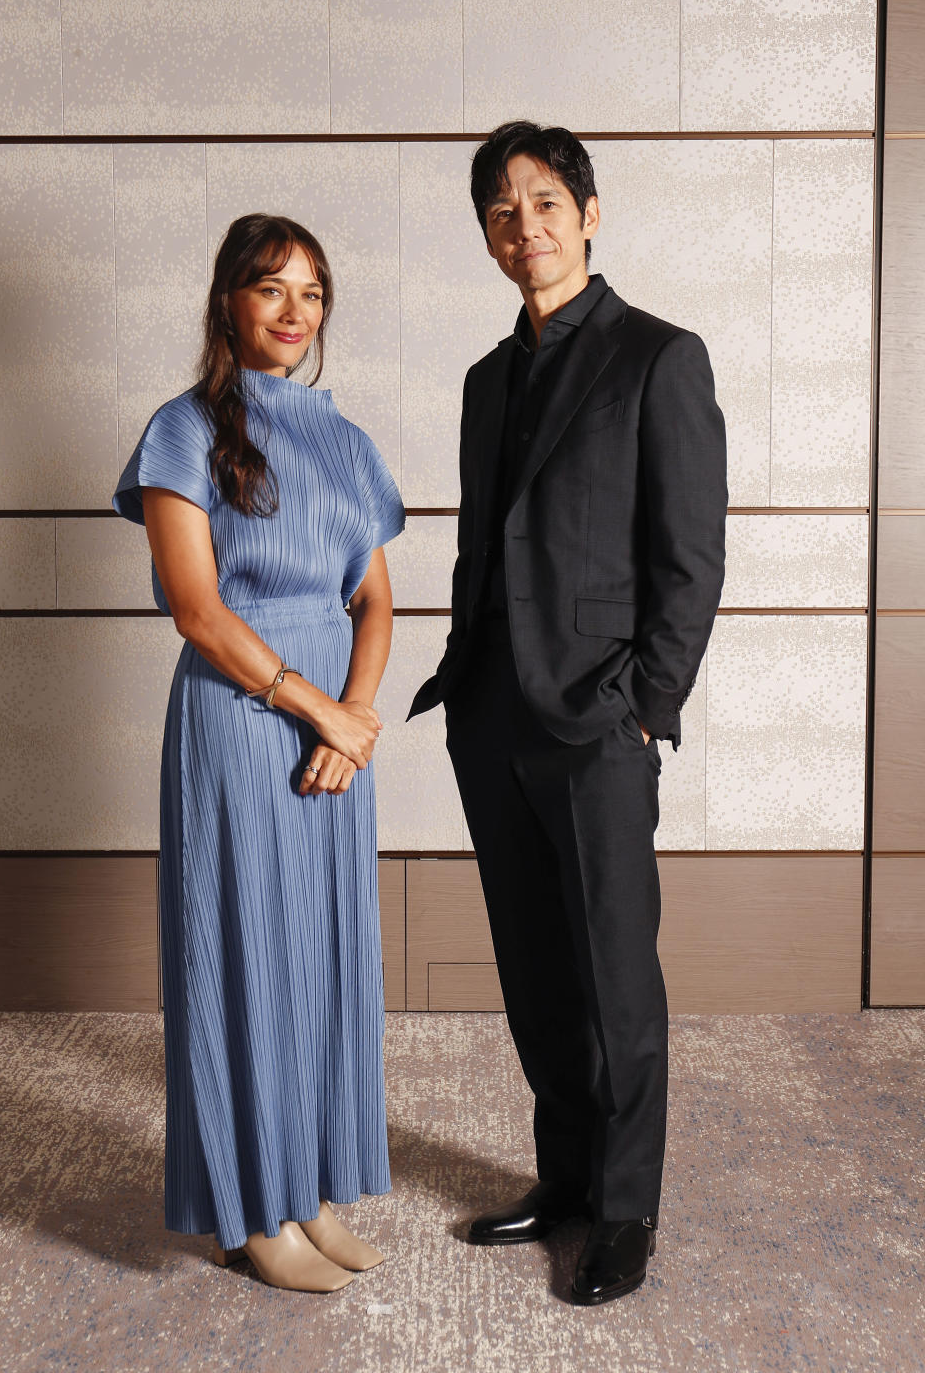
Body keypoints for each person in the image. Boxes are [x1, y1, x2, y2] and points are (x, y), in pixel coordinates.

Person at [409, 121, 728, 1305]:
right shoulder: (486, 381)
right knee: (536, 972)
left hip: (598, 722)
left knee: (614, 975)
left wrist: (646, 707)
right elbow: (481, 546)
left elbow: (690, 559)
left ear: (589, 214)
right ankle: (565, 1179)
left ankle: (629, 1207)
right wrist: (459, 677)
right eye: (501, 212)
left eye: (544, 204)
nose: (523, 227)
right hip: (492, 719)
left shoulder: (660, 358)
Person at [113, 213, 405, 1293]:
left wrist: (355, 715)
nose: (295, 312)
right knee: (243, 958)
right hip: (238, 723)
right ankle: (249, 1214)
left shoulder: (343, 436)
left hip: (335, 723)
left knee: (323, 960)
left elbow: (373, 597)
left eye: (314, 293)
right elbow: (195, 609)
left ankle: (311, 1189)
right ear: (228, 302)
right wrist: (314, 710)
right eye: (272, 288)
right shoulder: (182, 430)